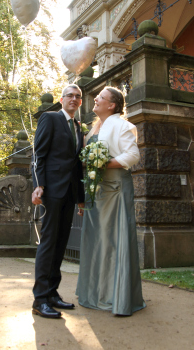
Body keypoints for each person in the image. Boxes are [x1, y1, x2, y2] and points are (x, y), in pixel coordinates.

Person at [76, 86, 146, 316]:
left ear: (112, 105)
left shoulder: (123, 125)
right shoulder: (93, 127)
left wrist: (103, 163)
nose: (95, 99)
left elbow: (133, 156)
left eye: (101, 98)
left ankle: (119, 298)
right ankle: (95, 294)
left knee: (116, 239)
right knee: (97, 239)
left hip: (115, 187)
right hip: (96, 188)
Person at [31, 84, 85, 319]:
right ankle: (40, 299)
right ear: (62, 99)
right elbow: (39, 154)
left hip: (70, 192)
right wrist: (38, 185)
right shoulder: (50, 118)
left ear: (81, 102)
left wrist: (81, 198)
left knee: (61, 243)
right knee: (49, 242)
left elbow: (77, 165)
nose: (74, 99)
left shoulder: (78, 127)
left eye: (78, 96)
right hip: (51, 189)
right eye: (70, 96)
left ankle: (52, 293)